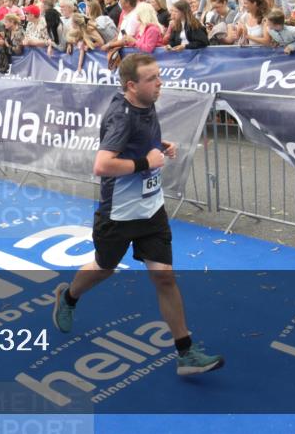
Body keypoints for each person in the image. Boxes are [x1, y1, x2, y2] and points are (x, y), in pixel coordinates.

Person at [51, 53, 224, 375]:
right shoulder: (121, 116)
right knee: (103, 268)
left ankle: (185, 352)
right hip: (118, 213)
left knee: (164, 275)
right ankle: (69, 297)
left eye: (159, 76)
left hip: (151, 210)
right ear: (131, 86)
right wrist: (147, 162)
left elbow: (141, 140)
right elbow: (102, 165)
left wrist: (160, 144)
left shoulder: (146, 103)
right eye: (152, 79)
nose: (160, 84)